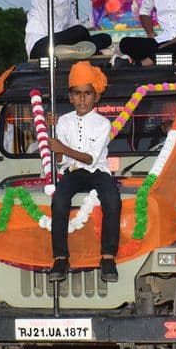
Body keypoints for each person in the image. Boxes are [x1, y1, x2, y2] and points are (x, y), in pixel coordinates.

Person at [45, 61, 121, 283]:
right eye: (77, 94)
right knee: (59, 200)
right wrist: (53, 139)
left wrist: (62, 148)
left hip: (97, 171)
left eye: (87, 93)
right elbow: (60, 159)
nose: (82, 99)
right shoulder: (63, 121)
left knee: (113, 201)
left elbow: (89, 158)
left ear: (96, 97)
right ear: (70, 97)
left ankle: (108, 257)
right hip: (73, 172)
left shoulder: (103, 124)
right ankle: (60, 258)